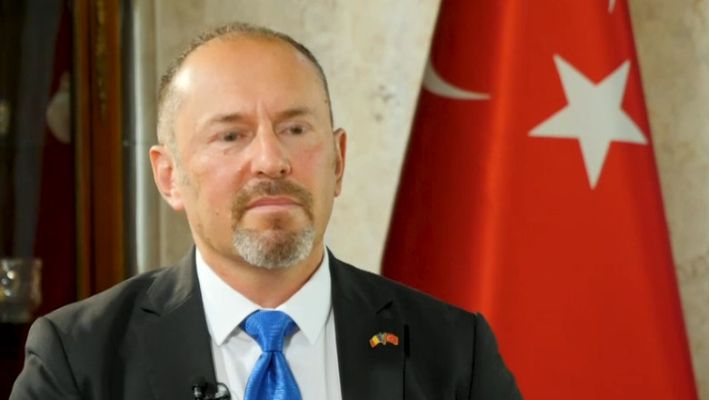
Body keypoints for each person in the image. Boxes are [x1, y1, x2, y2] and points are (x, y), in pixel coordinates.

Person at [11, 23, 522, 399]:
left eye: (295, 129)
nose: (271, 160)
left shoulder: (454, 351)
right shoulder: (77, 359)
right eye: (231, 135)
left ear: (339, 161)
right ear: (169, 177)